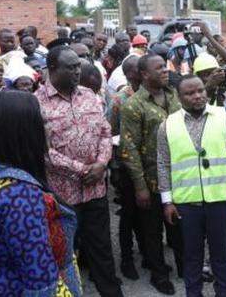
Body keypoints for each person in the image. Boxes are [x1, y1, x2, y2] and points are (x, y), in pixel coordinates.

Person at [0, 91, 84, 296]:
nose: (49, 130)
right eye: (43, 123)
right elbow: (41, 282)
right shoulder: (19, 196)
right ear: (24, 132)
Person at [35, 46, 122, 297]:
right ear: (52, 69)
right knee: (63, 254)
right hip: (63, 196)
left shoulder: (89, 96)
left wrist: (102, 163)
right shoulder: (36, 102)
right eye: (70, 67)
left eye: (78, 66)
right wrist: (82, 170)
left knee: (102, 250)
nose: (77, 71)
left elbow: (106, 132)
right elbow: (43, 151)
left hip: (95, 190)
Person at [157, 75, 226, 297]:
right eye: (190, 93)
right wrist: (167, 201)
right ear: (179, 97)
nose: (197, 96)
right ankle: (193, 292)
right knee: (191, 254)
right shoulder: (167, 125)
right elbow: (163, 163)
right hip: (186, 201)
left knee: (220, 252)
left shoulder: (225, 117)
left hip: (220, 198)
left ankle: (223, 292)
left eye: (200, 90)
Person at [120, 54, 183, 295]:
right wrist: (140, 186)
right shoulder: (133, 105)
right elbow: (129, 149)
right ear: (144, 74)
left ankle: (184, 267)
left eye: (165, 66)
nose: (165, 71)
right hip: (152, 179)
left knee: (179, 228)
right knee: (152, 232)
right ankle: (159, 274)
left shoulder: (173, 95)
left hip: (179, 177)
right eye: (159, 68)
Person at [106, 56, 145, 280]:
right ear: (131, 74)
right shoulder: (120, 100)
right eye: (139, 70)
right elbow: (109, 133)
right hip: (125, 166)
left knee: (147, 215)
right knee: (128, 216)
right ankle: (127, 259)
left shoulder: (154, 96)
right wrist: (115, 169)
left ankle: (147, 254)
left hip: (148, 165)